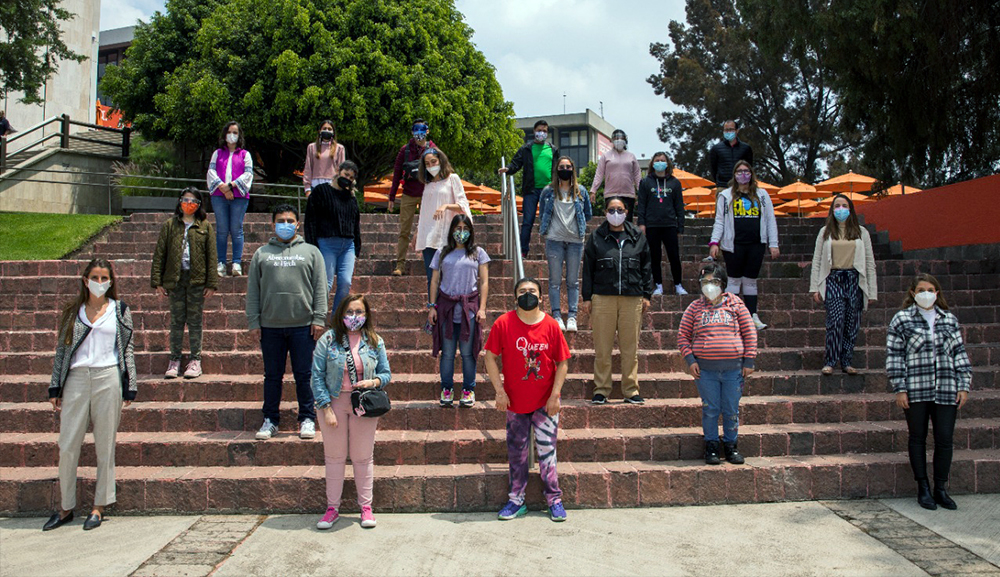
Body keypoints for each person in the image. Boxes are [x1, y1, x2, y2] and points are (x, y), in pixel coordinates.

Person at [44, 259, 136, 531]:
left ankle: (99, 505)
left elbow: (127, 349)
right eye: (94, 277)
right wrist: (55, 387)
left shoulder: (120, 310)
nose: (99, 282)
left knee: (105, 444)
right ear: (85, 280)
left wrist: (130, 384)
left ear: (111, 281)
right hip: (76, 378)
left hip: (108, 377)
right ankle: (65, 507)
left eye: (104, 278)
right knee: (67, 444)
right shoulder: (73, 311)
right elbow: (62, 350)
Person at [485, 278, 571, 522]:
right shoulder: (503, 323)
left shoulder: (551, 325)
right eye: (522, 291)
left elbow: (563, 362)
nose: (527, 294)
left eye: (532, 291)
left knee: (548, 454)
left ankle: (554, 500)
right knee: (517, 454)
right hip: (515, 403)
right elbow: (489, 357)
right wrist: (499, 391)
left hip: (545, 404)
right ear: (515, 298)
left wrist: (555, 396)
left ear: (541, 297)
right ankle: (516, 500)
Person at [888, 274, 972, 511]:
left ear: (937, 293)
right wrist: (900, 388)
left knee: (944, 438)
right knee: (918, 437)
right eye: (921, 290)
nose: (926, 294)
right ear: (913, 293)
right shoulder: (902, 320)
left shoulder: (949, 320)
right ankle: (923, 487)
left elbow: (959, 352)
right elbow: (894, 356)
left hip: (946, 387)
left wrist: (964, 384)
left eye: (931, 289)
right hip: (915, 388)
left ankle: (940, 488)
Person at [246, 204, 328, 441]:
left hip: (303, 325)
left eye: (290, 221)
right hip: (270, 326)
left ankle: (307, 418)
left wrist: (319, 318)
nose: (285, 225)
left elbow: (320, 288)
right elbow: (253, 290)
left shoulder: (311, 252)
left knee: (304, 375)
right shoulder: (261, 254)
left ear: (298, 224)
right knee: (272, 376)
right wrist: (254, 321)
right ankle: (270, 419)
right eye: (280, 221)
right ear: (272, 224)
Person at [311, 294, 391, 529]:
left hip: (362, 403)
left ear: (366, 315)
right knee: (334, 457)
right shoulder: (328, 340)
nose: (354, 316)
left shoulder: (374, 341)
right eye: (349, 312)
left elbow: (386, 373)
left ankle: (366, 507)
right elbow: (316, 375)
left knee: (363, 456)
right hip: (333, 402)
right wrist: (325, 407)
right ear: (341, 314)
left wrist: (373, 382)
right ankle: (332, 508)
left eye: (359, 312)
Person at [677, 262, 756, 465]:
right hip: (705, 371)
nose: (709, 286)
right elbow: (682, 336)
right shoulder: (695, 308)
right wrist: (690, 360)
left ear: (723, 284)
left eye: (714, 282)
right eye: (705, 282)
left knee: (731, 409)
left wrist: (749, 360)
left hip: (733, 370)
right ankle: (711, 445)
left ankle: (731, 445)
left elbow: (749, 332)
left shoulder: (736, 304)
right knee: (710, 408)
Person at [582, 197, 653, 405]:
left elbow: (647, 267)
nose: (615, 213)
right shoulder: (597, 237)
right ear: (605, 212)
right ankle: (601, 390)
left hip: (632, 297)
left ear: (627, 211)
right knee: (602, 348)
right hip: (603, 297)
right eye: (611, 210)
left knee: (630, 349)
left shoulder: (637, 236)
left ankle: (631, 390)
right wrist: (587, 297)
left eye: (619, 210)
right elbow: (588, 269)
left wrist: (647, 294)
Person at [151, 187, 219, 379]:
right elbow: (160, 253)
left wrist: (211, 283)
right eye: (186, 200)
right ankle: (174, 360)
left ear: (199, 205)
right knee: (176, 320)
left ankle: (195, 360)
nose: (189, 204)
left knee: (195, 321)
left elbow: (212, 256)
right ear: (180, 202)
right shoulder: (170, 225)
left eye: (193, 201)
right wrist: (157, 280)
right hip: (175, 279)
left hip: (197, 279)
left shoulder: (205, 226)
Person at [809, 194, 878, 376]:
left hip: (855, 279)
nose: (841, 209)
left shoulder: (862, 232)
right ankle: (830, 361)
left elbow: (869, 262)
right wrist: (814, 287)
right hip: (833, 279)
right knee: (835, 320)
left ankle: (846, 361)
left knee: (851, 323)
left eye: (844, 205)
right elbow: (817, 260)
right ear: (832, 210)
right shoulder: (825, 232)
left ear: (851, 209)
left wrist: (872, 292)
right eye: (837, 206)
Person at [709, 160, 779, 331]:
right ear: (734, 175)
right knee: (733, 280)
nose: (743, 174)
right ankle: (731, 315)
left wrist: (773, 243)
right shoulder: (725, 196)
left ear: (751, 174)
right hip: (733, 244)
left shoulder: (762, 195)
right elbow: (719, 221)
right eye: (739, 171)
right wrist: (714, 242)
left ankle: (752, 315)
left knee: (750, 280)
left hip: (756, 244)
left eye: (746, 171)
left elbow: (770, 220)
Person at [428, 215, 490, 408]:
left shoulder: (478, 253)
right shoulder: (441, 253)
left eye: (465, 228)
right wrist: (432, 306)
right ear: (451, 230)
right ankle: (446, 389)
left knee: (467, 353)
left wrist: (482, 308)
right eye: (457, 228)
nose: (461, 232)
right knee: (447, 353)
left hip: (468, 310)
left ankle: (468, 389)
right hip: (446, 308)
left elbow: (484, 281)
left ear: (470, 231)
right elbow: (434, 281)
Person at [538, 156, 592, 332]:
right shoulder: (548, 191)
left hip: (575, 241)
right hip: (554, 240)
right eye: (562, 167)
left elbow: (588, 214)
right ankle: (556, 316)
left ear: (573, 169)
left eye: (568, 167)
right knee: (554, 281)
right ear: (556, 170)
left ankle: (572, 317)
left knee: (572, 281)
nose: (565, 169)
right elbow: (543, 215)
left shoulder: (580, 191)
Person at [303, 160, 362, 312]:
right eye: (346, 174)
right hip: (326, 244)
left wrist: (357, 246)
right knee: (325, 284)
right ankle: (318, 316)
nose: (347, 179)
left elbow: (355, 223)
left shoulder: (351, 197)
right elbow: (311, 219)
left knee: (345, 282)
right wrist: (312, 244)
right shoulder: (321, 191)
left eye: (351, 177)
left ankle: (336, 318)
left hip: (348, 245)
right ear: (338, 171)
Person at [414, 148, 472, 298]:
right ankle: (432, 308)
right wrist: (418, 232)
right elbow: (424, 212)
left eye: (433, 161)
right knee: (431, 277)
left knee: (448, 275)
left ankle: (450, 308)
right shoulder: (427, 184)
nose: (431, 165)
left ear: (441, 160)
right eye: (427, 163)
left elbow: (463, 205)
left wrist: (446, 206)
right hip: (428, 237)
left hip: (446, 235)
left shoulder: (453, 179)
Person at [498, 120, 559, 259]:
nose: (542, 133)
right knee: (527, 221)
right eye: (539, 130)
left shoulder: (553, 149)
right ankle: (523, 251)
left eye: (544, 131)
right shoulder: (526, 148)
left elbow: (558, 169)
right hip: (531, 190)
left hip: (549, 190)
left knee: (551, 221)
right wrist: (507, 169)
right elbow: (516, 163)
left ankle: (554, 251)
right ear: (534, 131)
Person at [389, 119, 437, 276]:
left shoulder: (432, 149)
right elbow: (397, 173)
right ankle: (400, 264)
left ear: (427, 131)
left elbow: (440, 170)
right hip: (408, 193)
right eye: (416, 130)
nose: (419, 133)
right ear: (412, 132)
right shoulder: (405, 150)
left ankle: (430, 264)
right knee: (404, 230)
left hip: (427, 194)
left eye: (422, 129)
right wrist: (392, 196)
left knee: (428, 229)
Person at [207, 120, 253, 277]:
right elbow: (211, 172)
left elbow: (248, 174)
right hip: (219, 196)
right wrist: (223, 187)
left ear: (239, 136)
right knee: (221, 230)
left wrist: (231, 186)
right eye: (229, 132)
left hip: (239, 197)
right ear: (224, 134)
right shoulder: (217, 153)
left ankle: (236, 262)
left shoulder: (245, 155)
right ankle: (221, 262)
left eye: (235, 132)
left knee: (236, 229)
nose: (231, 135)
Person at [637, 152, 687, 296]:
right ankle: (658, 285)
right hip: (652, 225)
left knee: (674, 256)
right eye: (657, 160)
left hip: (670, 224)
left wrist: (680, 225)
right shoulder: (645, 182)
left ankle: (678, 285)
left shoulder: (675, 183)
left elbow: (679, 205)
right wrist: (642, 223)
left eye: (663, 160)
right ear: (652, 163)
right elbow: (641, 205)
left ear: (667, 163)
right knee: (654, 257)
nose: (660, 162)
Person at [589, 129, 641, 222]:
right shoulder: (606, 156)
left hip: (628, 194)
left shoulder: (631, 156)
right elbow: (599, 174)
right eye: (616, 138)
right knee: (612, 220)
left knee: (627, 221)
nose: (619, 140)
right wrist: (593, 190)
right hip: (611, 193)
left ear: (625, 140)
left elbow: (637, 175)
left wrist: (641, 191)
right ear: (612, 141)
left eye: (621, 138)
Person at [302, 120, 346, 197]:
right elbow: (308, 168)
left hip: (333, 187)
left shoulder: (340, 148)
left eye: (329, 129)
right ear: (320, 131)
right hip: (315, 187)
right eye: (324, 128)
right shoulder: (311, 147)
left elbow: (342, 171)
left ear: (333, 132)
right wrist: (307, 189)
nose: (327, 130)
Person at [708, 119, 753, 187]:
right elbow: (713, 169)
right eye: (726, 130)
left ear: (737, 131)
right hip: (723, 186)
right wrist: (718, 182)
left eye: (731, 129)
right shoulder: (716, 149)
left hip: (741, 185)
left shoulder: (746, 148)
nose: (728, 132)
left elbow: (749, 167)